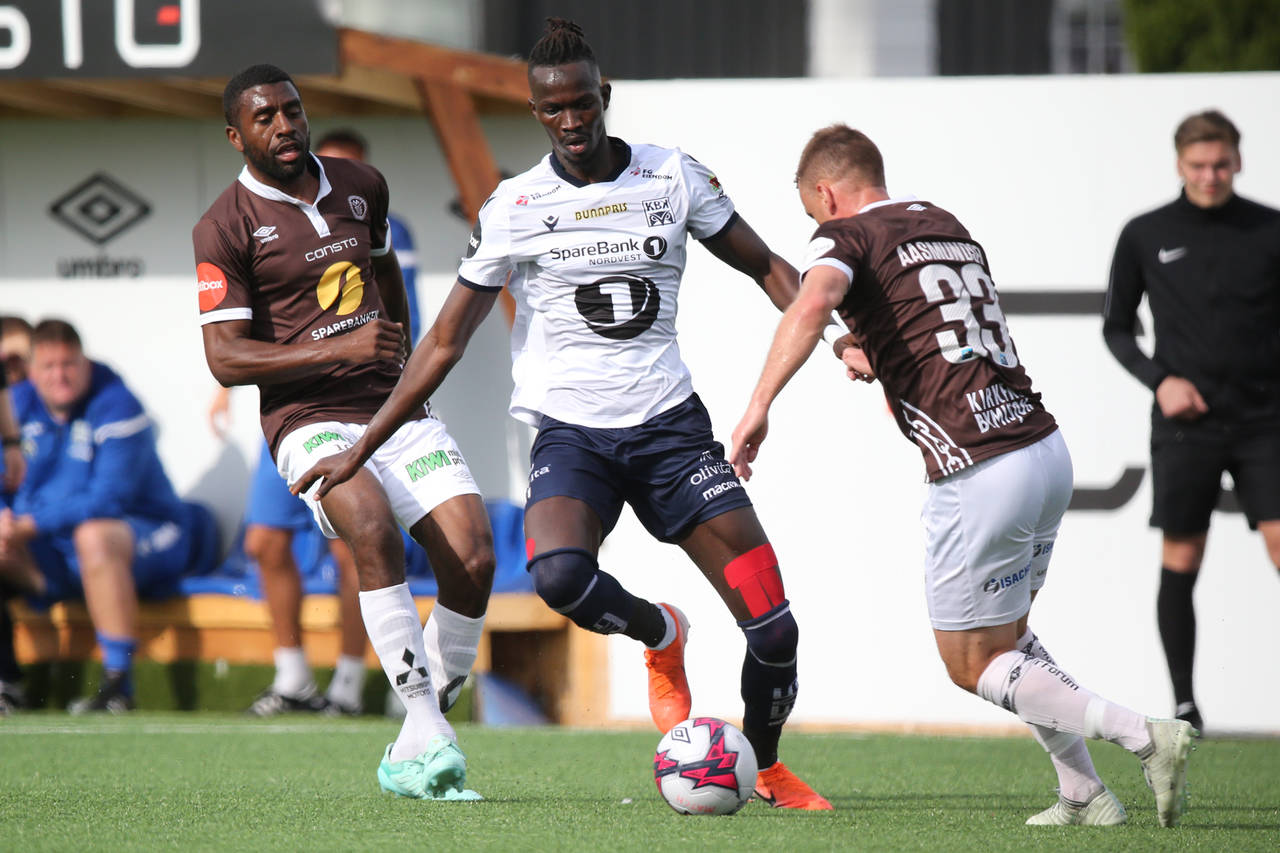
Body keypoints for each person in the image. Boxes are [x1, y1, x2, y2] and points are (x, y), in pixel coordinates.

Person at [291, 18, 831, 810]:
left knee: (773, 625)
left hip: (672, 432)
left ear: (603, 97)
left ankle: (770, 765)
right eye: (554, 110)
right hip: (573, 437)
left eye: (582, 103)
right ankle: (661, 635)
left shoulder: (674, 178)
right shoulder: (515, 205)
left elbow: (772, 269)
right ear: (537, 112)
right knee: (558, 576)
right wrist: (367, 441)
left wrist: (844, 342)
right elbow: (445, 338)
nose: (572, 121)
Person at [728, 124, 1197, 827]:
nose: (816, 226)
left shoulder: (844, 236)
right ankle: (1082, 791)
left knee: (970, 661)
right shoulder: (944, 225)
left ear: (826, 193)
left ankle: (1144, 734)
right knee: (1009, 641)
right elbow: (931, 328)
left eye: (812, 212)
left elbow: (813, 298)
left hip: (979, 469)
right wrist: (868, 350)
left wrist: (757, 407)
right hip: (1042, 448)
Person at [194, 63, 494, 801]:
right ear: (237, 135)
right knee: (367, 522)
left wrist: (397, 351)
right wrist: (340, 348)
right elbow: (225, 356)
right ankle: (423, 718)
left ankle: (419, 721)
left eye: (291, 110)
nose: (284, 125)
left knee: (475, 555)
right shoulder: (223, 225)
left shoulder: (363, 183)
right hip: (307, 418)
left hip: (391, 406)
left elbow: (385, 272)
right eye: (264, 117)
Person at [1103, 109, 1280, 736]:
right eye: (1199, 165)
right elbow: (1116, 329)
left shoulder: (1269, 228)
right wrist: (1162, 380)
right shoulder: (1144, 232)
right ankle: (1185, 706)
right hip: (1186, 427)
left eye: (1222, 164)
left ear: (1239, 161)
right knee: (1182, 556)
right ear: (1180, 165)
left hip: (1266, 420)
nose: (1211, 175)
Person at [0, 319, 215, 713]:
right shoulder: (16, 404)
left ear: (84, 362)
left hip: (152, 532)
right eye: (48, 367)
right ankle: (7, 684)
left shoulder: (116, 402)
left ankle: (118, 685)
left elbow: (108, 500)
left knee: (95, 535)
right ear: (32, 371)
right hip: (60, 551)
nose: (59, 376)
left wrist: (28, 525)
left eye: (68, 364)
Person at [208, 386, 367, 716]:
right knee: (263, 542)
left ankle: (349, 689)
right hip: (287, 410)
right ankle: (293, 679)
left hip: (349, 408)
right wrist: (226, 384)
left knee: (350, 543)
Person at [314, 129, 423, 344]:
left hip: (373, 358)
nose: (336, 179)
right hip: (311, 357)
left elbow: (405, 304)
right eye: (327, 169)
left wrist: (401, 359)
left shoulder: (392, 228)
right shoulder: (292, 224)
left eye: (348, 169)